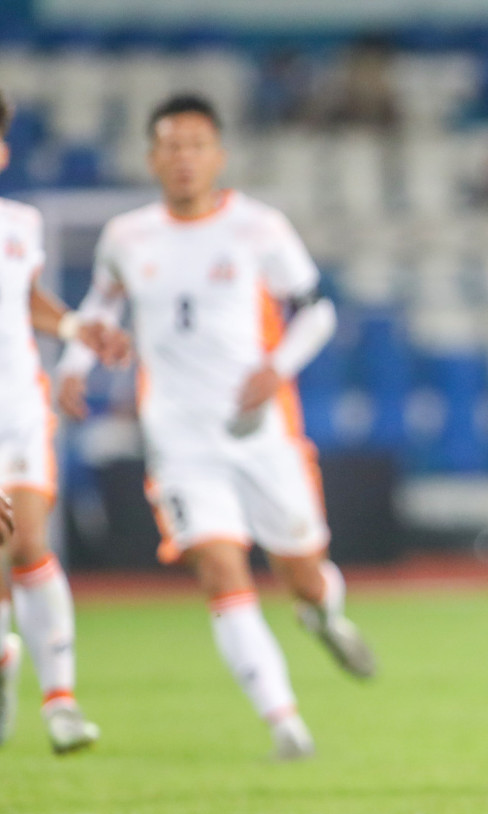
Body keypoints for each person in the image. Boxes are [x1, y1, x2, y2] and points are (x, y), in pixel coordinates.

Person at [58, 94, 375, 761]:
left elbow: (316, 311)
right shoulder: (127, 236)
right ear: (152, 158)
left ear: (218, 156)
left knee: (303, 572)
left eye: (196, 145)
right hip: (178, 440)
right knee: (219, 567)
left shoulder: (258, 228)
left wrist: (276, 367)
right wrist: (75, 363)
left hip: (259, 430)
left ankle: (323, 615)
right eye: (170, 146)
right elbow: (101, 303)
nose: (183, 158)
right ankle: (284, 722)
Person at [0, 88, 130, 754]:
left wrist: (78, 324)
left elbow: (25, 299)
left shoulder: (18, 225)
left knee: (26, 543)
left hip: (18, 411)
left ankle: (61, 702)